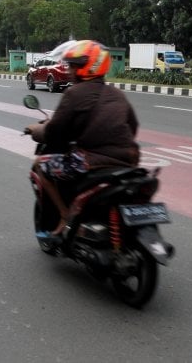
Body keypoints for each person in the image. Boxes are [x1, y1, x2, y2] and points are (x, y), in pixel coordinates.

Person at [26, 40, 140, 236]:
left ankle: (64, 215)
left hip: (90, 161)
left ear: (87, 67)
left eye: (73, 65)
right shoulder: (117, 94)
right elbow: (133, 126)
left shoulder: (74, 93)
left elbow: (53, 132)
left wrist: (36, 130)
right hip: (128, 159)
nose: (69, 70)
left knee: (40, 164)